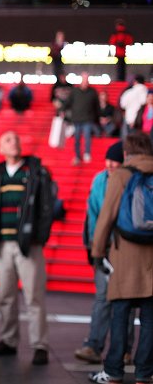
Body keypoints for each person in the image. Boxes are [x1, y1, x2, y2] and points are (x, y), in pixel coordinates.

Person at [0, 131, 55, 366]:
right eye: (7, 140)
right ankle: (8, 340)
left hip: (28, 244)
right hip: (2, 244)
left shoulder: (34, 171)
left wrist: (40, 237)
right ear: (0, 149)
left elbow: (46, 206)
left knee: (34, 296)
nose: (14, 143)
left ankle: (40, 345)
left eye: (16, 139)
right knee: (6, 296)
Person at [91, 131, 153, 384]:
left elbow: (106, 217)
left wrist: (97, 251)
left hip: (124, 254)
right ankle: (144, 373)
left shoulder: (121, 176)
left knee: (120, 314)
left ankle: (114, 371)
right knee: (150, 319)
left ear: (127, 152)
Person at [73, 142, 135, 374]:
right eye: (108, 160)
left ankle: (126, 349)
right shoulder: (99, 179)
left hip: (125, 248)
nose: (110, 164)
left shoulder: (129, 179)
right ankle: (93, 346)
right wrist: (93, 245)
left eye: (114, 160)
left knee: (126, 299)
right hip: (102, 246)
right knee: (102, 297)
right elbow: (93, 214)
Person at [65, 72, 100, 165]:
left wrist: (97, 118)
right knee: (76, 138)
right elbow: (68, 102)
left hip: (88, 119)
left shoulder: (93, 92)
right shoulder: (75, 91)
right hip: (76, 119)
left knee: (87, 136)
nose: (85, 82)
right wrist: (61, 109)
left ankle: (87, 153)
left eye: (87, 80)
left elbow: (97, 106)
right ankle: (77, 155)